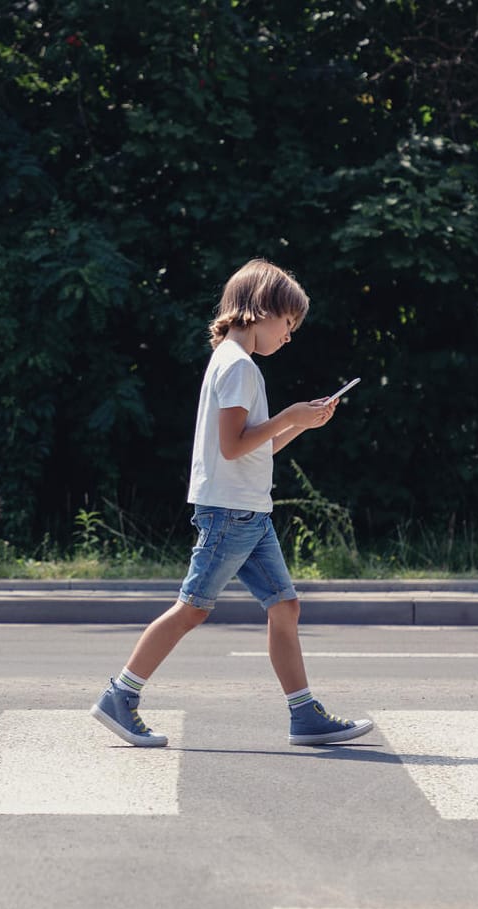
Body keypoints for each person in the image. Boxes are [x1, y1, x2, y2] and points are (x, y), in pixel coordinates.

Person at [90, 258, 374, 749]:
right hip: (231, 513)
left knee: (284, 607)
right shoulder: (240, 367)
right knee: (192, 609)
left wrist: (298, 425)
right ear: (261, 310)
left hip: (248, 511)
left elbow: (250, 448)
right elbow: (234, 446)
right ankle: (120, 695)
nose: (289, 336)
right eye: (288, 324)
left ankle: (304, 715)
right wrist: (288, 414)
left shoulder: (230, 360)